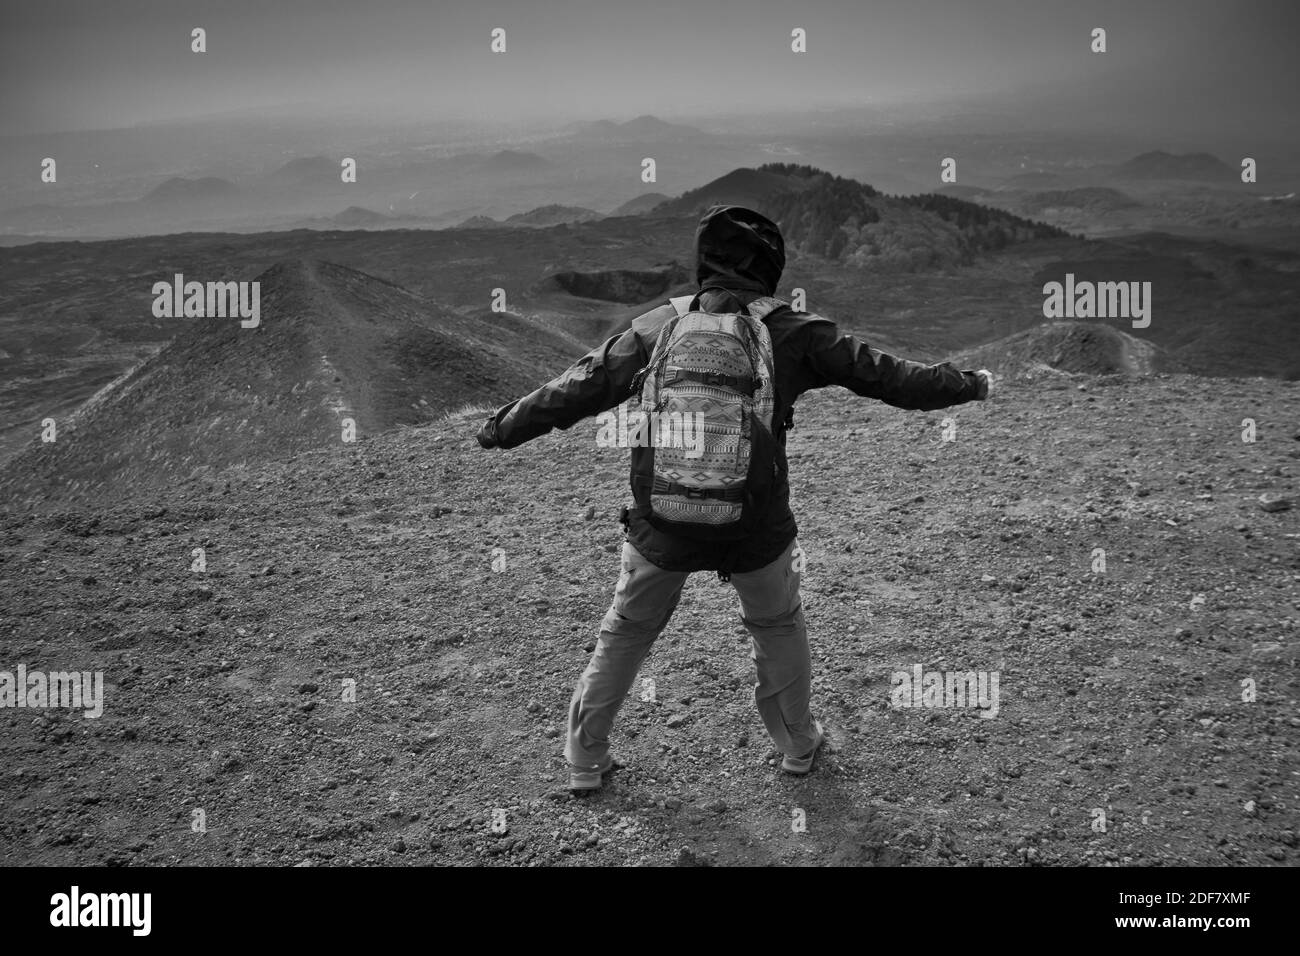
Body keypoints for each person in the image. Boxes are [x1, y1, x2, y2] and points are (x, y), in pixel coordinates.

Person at [476, 204, 992, 791]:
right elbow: (888, 376)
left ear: (704, 262)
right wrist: (968, 384)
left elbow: (574, 390)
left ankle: (585, 760)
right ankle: (798, 746)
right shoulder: (794, 332)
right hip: (756, 521)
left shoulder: (656, 328)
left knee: (626, 631)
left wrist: (500, 428)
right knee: (776, 624)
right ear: (770, 264)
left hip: (662, 518)